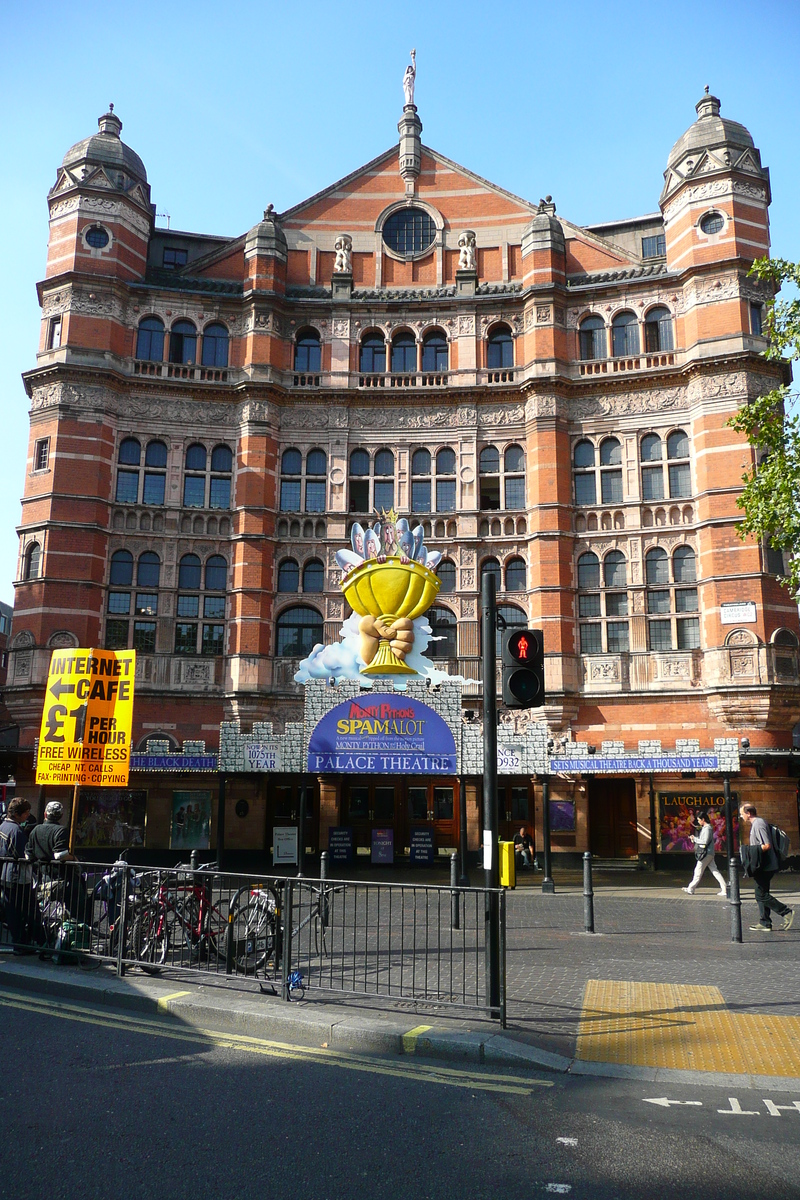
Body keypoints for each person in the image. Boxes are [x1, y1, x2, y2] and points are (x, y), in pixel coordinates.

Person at [25, 801, 89, 924]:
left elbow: (28, 855)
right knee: (78, 905)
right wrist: (73, 858)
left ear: (45, 814)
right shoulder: (61, 831)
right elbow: (60, 855)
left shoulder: (36, 829)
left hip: (44, 877)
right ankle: (77, 928)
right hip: (63, 879)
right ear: (60, 816)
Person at [0, 797, 47, 951]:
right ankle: (32, 942)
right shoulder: (16, 830)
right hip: (18, 876)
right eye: (26, 813)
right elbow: (22, 855)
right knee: (29, 910)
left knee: (12, 911)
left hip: (6, 874)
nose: (28, 815)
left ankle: (21, 942)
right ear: (19, 814)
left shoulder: (3, 826)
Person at [739, 802, 794, 932]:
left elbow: (766, 845)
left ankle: (786, 912)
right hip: (764, 865)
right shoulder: (758, 823)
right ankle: (765, 922)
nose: (741, 817)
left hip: (764, 865)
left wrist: (750, 852)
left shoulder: (758, 824)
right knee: (763, 893)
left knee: (760, 895)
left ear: (748, 813)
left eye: (742, 814)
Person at [681, 809, 727, 896]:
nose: (698, 822)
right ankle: (724, 888)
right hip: (709, 853)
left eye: (699, 820)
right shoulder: (707, 828)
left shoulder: (707, 828)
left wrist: (695, 839)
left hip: (705, 853)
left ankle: (691, 888)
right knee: (715, 871)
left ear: (703, 819)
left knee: (698, 871)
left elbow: (704, 841)